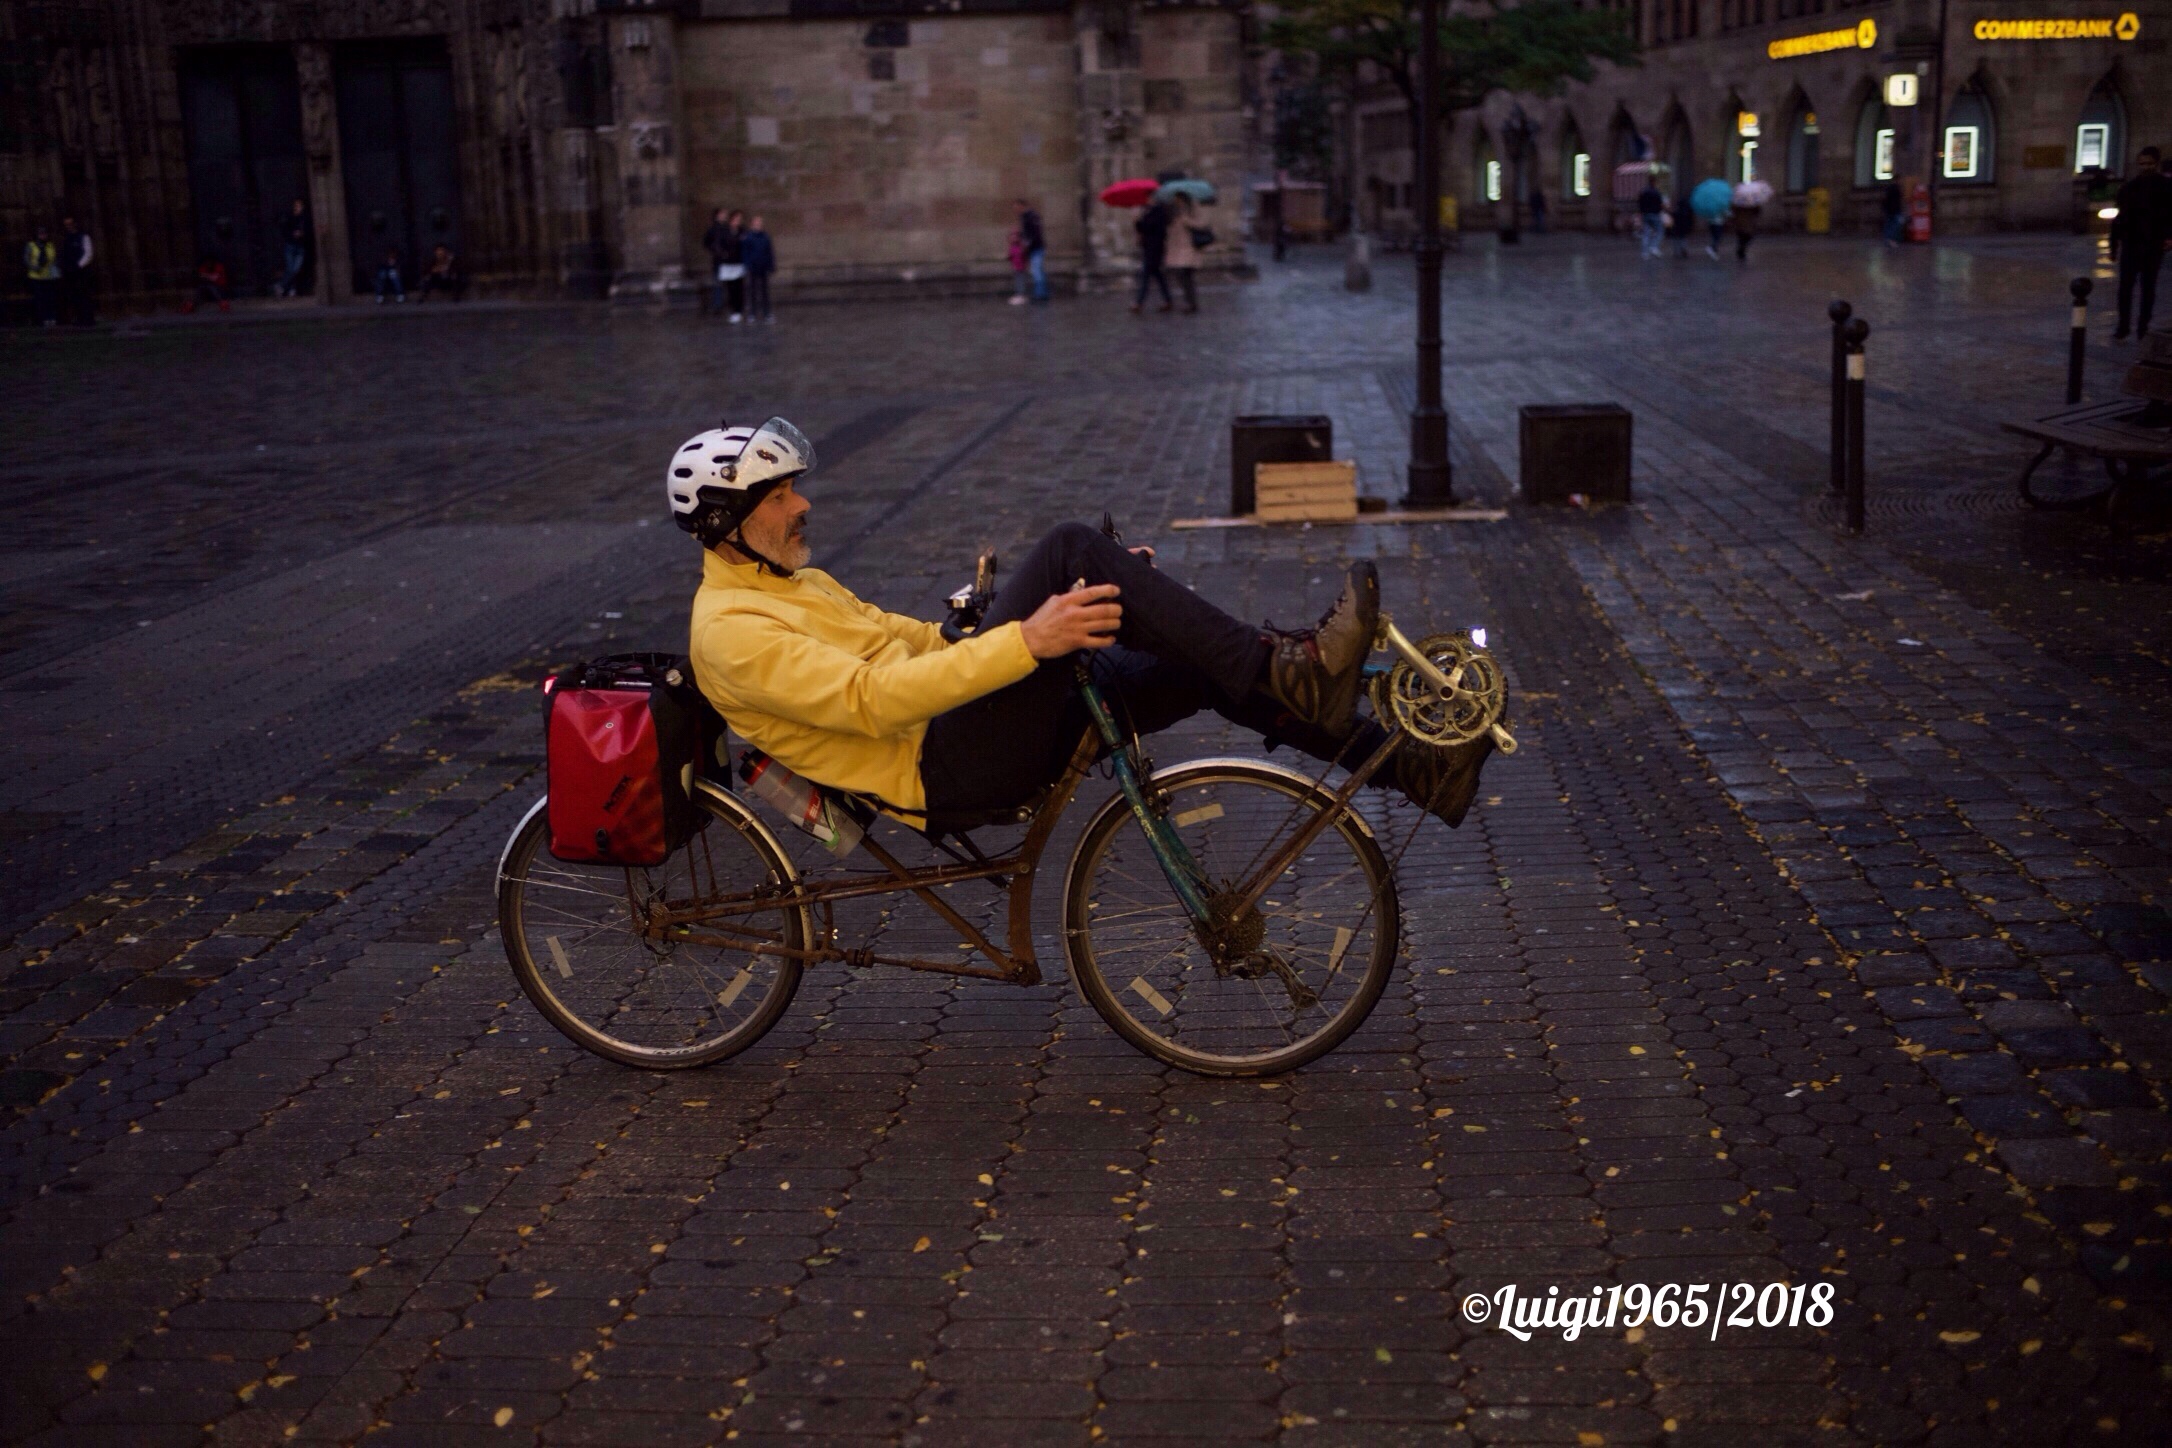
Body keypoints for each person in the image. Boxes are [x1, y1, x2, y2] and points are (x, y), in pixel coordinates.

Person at [673, 420, 1496, 836]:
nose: (801, 504)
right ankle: (1301, 669)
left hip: (963, 724)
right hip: (944, 767)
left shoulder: (792, 580)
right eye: (777, 497)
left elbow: (914, 642)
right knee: (1071, 545)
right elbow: (873, 701)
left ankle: (1414, 772)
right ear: (727, 523)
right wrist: (1028, 638)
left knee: (1191, 660)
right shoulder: (731, 631)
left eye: (792, 490)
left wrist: (1109, 590)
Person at [2112, 146, 2172, 340]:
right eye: (2142, 164)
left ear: (2156, 163)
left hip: (2153, 244)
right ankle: (2124, 326)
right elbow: (2120, 217)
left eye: (2149, 164)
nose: (2145, 167)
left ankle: (2142, 327)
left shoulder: (2164, 187)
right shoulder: (2131, 187)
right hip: (2132, 243)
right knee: (2125, 288)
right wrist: (2114, 245)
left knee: (2148, 288)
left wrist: (2167, 238)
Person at [704, 208, 745, 321]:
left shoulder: (741, 231)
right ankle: (722, 307)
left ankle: (737, 309)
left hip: (737, 262)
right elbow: (712, 243)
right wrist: (721, 254)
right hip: (725, 262)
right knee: (726, 286)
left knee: (738, 287)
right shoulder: (720, 230)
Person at [1131, 199, 1172, 313]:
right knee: (1158, 276)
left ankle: (1139, 302)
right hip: (1148, 248)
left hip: (1155, 249)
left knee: (1145, 276)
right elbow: (1142, 229)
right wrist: (1136, 220)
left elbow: (1153, 228)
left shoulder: (1158, 212)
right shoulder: (1147, 212)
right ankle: (1168, 299)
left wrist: (1139, 220)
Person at [1163, 196, 1201, 313]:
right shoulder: (1175, 216)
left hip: (1184, 252)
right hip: (1179, 252)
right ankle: (1191, 302)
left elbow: (1200, 224)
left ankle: (1191, 303)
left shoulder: (1186, 213)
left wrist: (1187, 219)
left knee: (1186, 278)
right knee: (1185, 279)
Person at [58, 216, 93, 325]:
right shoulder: (65, 238)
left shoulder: (83, 237)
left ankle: (88, 319)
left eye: (70, 223)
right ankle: (79, 318)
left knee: (84, 294)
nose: (68, 226)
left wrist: (78, 266)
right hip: (69, 271)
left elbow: (88, 253)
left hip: (81, 271)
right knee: (73, 295)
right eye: (66, 224)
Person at [23, 224, 60, 326]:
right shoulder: (31, 245)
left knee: (50, 298)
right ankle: (41, 319)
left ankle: (51, 318)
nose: (43, 236)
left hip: (49, 276)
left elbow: (54, 259)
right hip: (36, 276)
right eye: (40, 234)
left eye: (44, 234)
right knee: (40, 299)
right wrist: (34, 267)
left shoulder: (50, 245)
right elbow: (26, 259)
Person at [741, 216, 775, 322]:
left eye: (760, 223)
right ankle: (753, 313)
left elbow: (769, 252)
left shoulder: (765, 236)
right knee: (753, 291)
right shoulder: (748, 237)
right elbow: (745, 253)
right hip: (753, 267)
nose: (758, 225)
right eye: (756, 223)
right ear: (752, 224)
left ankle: (766, 313)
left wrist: (771, 265)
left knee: (764, 291)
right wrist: (747, 265)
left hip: (763, 266)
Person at [1014, 199, 1047, 303]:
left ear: (1022, 206)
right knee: (1038, 270)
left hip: (1036, 247)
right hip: (1032, 248)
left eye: (1016, 207)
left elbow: (1035, 233)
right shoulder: (1024, 217)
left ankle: (1040, 294)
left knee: (1036, 270)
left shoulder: (1032, 216)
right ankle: (1043, 292)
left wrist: (1026, 243)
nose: (1016, 210)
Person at [278, 199, 310, 297]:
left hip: (300, 246)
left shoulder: (304, 218)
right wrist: (292, 234)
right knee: (290, 268)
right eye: (297, 205)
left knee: (295, 269)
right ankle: (288, 287)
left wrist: (302, 234)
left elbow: (308, 230)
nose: (298, 208)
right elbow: (284, 230)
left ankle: (283, 286)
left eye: (300, 206)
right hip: (290, 245)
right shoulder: (289, 216)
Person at [1635, 181, 1665, 260]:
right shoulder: (1656, 193)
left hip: (1645, 214)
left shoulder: (1643, 193)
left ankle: (1645, 253)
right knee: (1660, 231)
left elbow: (1639, 203)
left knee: (1646, 233)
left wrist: (1641, 212)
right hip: (1655, 214)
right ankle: (1654, 246)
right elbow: (1660, 203)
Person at [1006, 225, 1028, 305]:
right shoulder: (1012, 247)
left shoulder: (1021, 247)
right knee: (1017, 281)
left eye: (1015, 236)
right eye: (1012, 236)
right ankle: (1019, 294)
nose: (1013, 238)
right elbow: (1011, 256)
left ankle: (1021, 295)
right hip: (1015, 267)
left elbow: (1024, 256)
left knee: (1020, 281)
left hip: (1021, 267)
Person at [1881, 181, 1905, 247]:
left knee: (1888, 225)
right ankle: (1892, 240)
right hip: (1895, 210)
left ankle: (1888, 239)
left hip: (1889, 210)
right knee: (1896, 225)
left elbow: (1885, 199)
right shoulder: (1897, 189)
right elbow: (1899, 200)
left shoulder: (1888, 189)